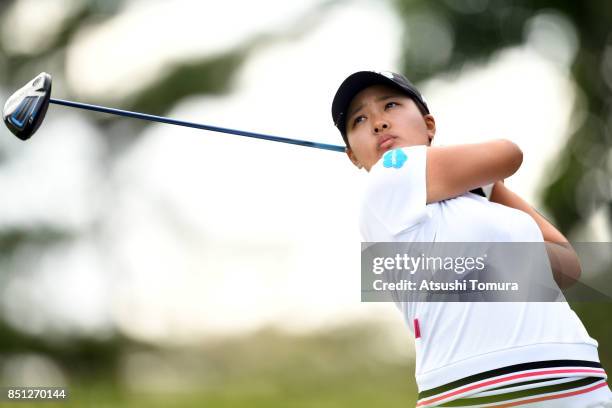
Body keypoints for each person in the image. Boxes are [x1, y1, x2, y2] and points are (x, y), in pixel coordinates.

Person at [331, 71, 612, 407]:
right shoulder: (387, 178)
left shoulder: (482, 206)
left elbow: (566, 266)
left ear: (429, 124)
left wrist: (489, 188)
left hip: (580, 383)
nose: (378, 122)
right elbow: (509, 153)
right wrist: (484, 177)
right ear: (353, 156)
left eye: (390, 105)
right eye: (359, 119)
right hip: (480, 391)